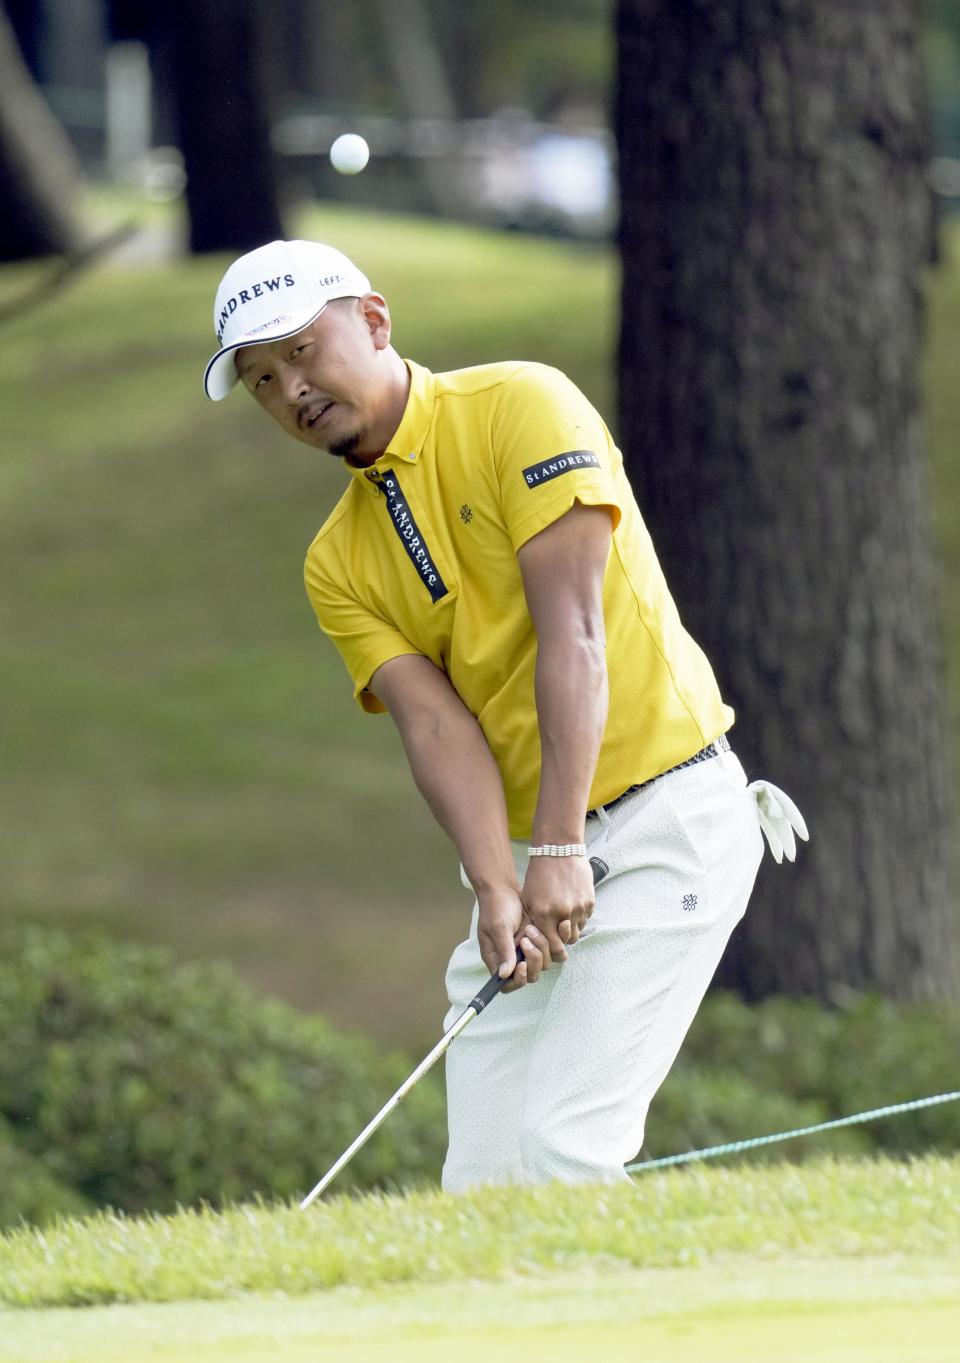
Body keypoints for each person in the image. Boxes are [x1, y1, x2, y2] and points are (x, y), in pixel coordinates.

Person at [203, 238, 807, 1189]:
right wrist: (497, 883)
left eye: (302, 350)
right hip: (537, 860)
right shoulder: (337, 560)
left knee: (566, 1146)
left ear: (372, 319)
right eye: (261, 378)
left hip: (666, 823)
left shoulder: (522, 405)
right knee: (482, 1181)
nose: (290, 390)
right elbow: (436, 727)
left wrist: (560, 847)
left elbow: (573, 634)